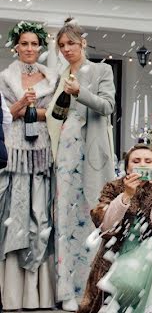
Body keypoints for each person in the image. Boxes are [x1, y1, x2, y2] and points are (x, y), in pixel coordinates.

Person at [49, 18, 117, 311]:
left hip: (90, 152)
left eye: (71, 44)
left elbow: (108, 106)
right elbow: (56, 114)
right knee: (65, 219)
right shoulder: (60, 75)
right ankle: (67, 289)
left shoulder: (102, 70)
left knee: (93, 216)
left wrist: (80, 93)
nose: (67, 49)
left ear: (83, 43)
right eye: (62, 45)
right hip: (66, 149)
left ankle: (93, 288)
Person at [78, 145, 152, 313]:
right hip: (115, 267)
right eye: (136, 161)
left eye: (148, 161)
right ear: (127, 167)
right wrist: (126, 195)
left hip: (146, 266)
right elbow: (107, 228)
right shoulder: (113, 188)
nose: (142, 164)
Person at [0, 21, 58, 310]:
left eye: (34, 44)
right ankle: (11, 295)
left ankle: (40, 295)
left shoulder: (52, 78)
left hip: (42, 152)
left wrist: (37, 112)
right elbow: (5, 115)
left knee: (40, 216)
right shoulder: (4, 78)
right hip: (14, 153)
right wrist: (22, 103)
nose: (29, 49)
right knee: (14, 216)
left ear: (40, 48)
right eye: (24, 43)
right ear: (16, 46)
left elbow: (59, 112)